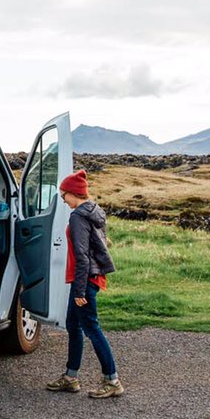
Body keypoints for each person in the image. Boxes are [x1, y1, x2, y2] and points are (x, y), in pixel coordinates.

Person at [46, 169, 124, 399]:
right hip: (90, 277)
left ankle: (112, 381)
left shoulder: (78, 216)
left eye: (64, 195)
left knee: (91, 327)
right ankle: (71, 377)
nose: (63, 200)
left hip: (85, 279)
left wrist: (79, 290)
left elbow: (82, 256)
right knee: (73, 325)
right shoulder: (94, 211)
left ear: (74, 193)